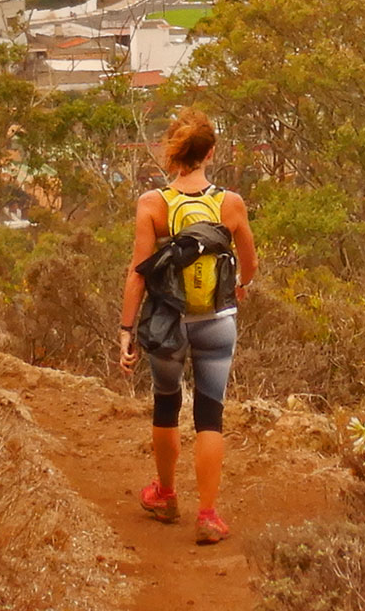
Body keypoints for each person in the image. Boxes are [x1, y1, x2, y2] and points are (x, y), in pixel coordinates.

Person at [117, 109, 257, 545]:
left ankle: (165, 495)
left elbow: (138, 272)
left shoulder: (152, 204)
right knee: (209, 414)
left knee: (166, 404)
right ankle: (209, 516)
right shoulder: (229, 203)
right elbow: (249, 263)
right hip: (217, 322)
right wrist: (241, 284)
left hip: (167, 324)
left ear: (173, 153)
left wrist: (126, 328)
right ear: (210, 153)